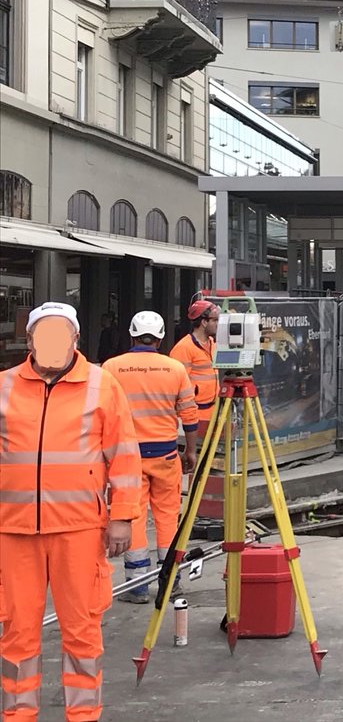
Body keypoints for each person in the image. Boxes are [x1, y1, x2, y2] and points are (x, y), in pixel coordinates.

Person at [0, 302, 140, 722]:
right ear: (29, 340)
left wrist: (122, 516)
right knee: (16, 634)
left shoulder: (103, 385)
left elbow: (124, 455)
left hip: (79, 530)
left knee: (81, 632)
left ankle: (83, 715)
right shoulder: (4, 386)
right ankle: (18, 715)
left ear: (75, 339)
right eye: (43, 336)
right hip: (13, 531)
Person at [103, 311, 199, 604]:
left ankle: (137, 587)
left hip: (126, 459)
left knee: (132, 517)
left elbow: (100, 414)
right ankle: (171, 582)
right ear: (160, 338)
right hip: (166, 455)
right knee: (168, 518)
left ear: (132, 335)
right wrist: (191, 451)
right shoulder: (175, 369)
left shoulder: (111, 368)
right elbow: (189, 415)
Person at [170, 299, 220, 441]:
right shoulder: (183, 348)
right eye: (214, 320)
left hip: (212, 411)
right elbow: (175, 387)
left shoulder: (212, 343)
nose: (218, 324)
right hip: (194, 414)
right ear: (204, 322)